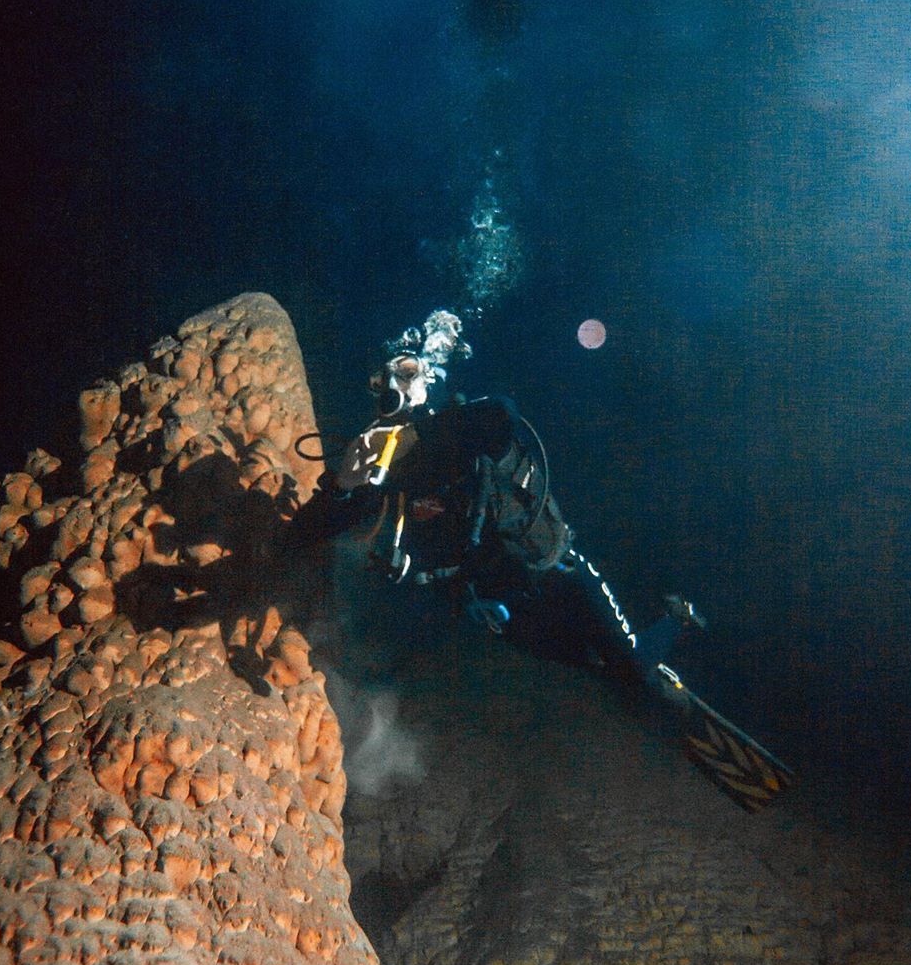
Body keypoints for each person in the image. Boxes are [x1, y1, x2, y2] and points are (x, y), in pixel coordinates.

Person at [291, 310, 794, 811]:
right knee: (593, 667)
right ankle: (639, 663)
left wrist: (424, 430)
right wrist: (340, 488)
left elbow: (501, 416)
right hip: (503, 612)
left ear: (430, 381)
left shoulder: (467, 431)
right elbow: (320, 526)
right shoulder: (389, 467)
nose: (393, 392)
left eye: (406, 376)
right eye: (386, 382)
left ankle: (668, 637)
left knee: (632, 667)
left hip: (562, 575)